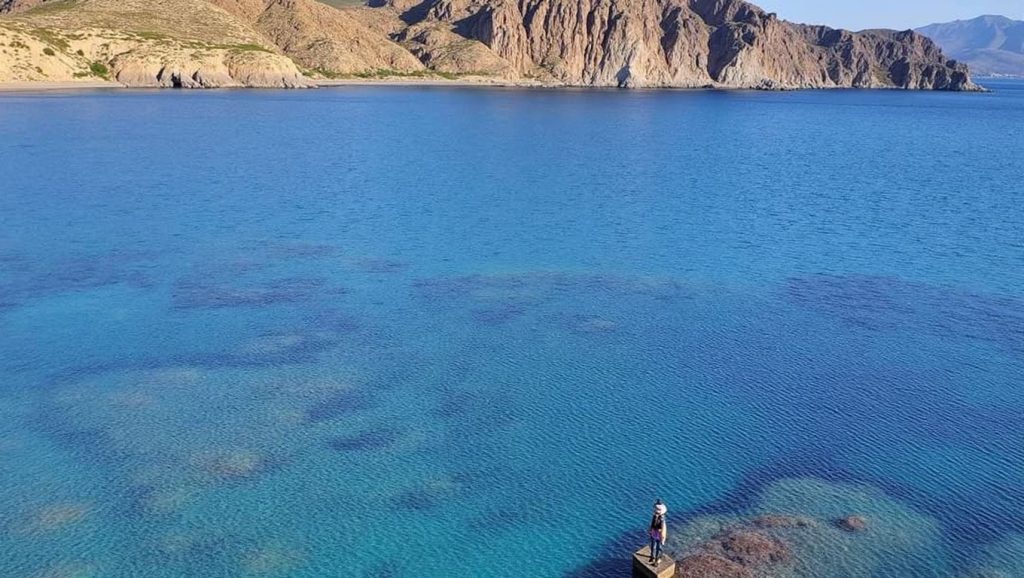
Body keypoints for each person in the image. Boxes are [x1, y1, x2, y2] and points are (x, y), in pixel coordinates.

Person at [648, 499, 668, 565]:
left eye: (658, 510)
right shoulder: (654, 516)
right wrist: (650, 529)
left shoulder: (662, 519)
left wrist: (662, 537)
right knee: (652, 545)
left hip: (659, 534)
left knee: (659, 548)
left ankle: (657, 559)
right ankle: (652, 556)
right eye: (656, 509)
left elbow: (663, 528)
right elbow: (652, 523)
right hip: (654, 532)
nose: (656, 511)